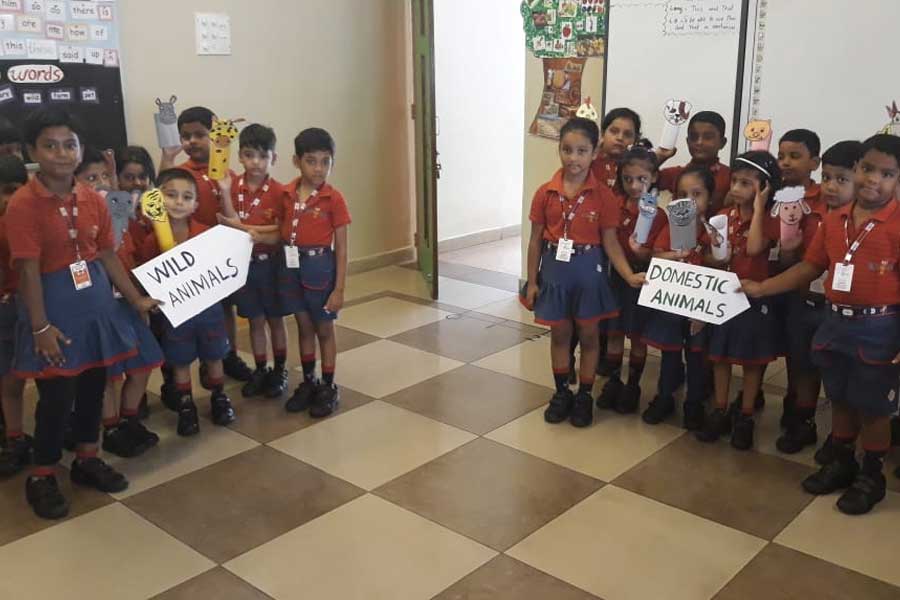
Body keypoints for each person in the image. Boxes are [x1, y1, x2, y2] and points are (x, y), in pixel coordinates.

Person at [8, 107, 159, 519]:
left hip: (96, 310)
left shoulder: (92, 198)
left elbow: (107, 255)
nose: (62, 153)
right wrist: (40, 327)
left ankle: (87, 459)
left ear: (80, 148)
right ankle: (42, 475)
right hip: (54, 314)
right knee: (57, 398)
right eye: (50, 145)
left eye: (69, 144)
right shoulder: (23, 204)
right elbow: (27, 271)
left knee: (94, 388)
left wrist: (134, 300)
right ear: (32, 151)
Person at [742, 134, 900, 515]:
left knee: (873, 408)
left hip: (879, 330)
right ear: (856, 168)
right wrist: (762, 288)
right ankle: (841, 462)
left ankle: (871, 475)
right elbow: (810, 266)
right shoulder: (834, 220)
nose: (873, 180)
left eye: (887, 174)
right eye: (867, 169)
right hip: (835, 323)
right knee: (840, 397)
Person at [523, 117, 643, 428]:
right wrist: (532, 281)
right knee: (560, 335)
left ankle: (585, 395)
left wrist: (629, 275)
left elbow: (611, 243)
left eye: (581, 151)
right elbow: (535, 241)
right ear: (559, 150)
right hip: (554, 274)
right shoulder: (545, 193)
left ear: (594, 153)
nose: (573, 158)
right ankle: (562, 392)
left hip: (589, 274)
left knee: (590, 336)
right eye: (567, 150)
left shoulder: (604, 196)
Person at [245, 128, 350, 418]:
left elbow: (342, 248)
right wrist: (254, 234)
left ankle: (328, 386)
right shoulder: (287, 194)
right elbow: (280, 232)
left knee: (324, 329)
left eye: (326, 161)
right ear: (296, 161)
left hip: (320, 269)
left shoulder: (333, 198)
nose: (319, 168)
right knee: (303, 327)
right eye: (311, 161)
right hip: (290, 268)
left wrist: (339, 289)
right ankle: (309, 381)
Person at [775, 140, 862, 455]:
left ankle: (840, 437)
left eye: (842, 179)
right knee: (803, 365)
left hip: (840, 310)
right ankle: (804, 422)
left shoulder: (863, 222)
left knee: (839, 375)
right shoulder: (809, 209)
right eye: (826, 177)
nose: (831, 186)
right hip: (805, 300)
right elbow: (801, 261)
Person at [139, 168, 236, 436]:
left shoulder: (206, 234)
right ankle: (186, 405)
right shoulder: (151, 240)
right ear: (158, 199)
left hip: (208, 311)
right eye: (171, 195)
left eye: (186, 197)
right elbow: (148, 276)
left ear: (195, 204)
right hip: (175, 314)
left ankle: (219, 396)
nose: (179, 202)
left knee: (214, 356)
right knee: (180, 361)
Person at [695, 151, 782, 450]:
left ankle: (745, 415)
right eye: (734, 181)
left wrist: (758, 209)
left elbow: (756, 248)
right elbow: (706, 255)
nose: (735, 188)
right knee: (719, 356)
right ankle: (720, 409)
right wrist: (717, 258)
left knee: (751, 362)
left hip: (753, 301)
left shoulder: (769, 220)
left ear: (764, 188)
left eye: (746, 183)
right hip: (724, 297)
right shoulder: (723, 216)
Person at [160, 106, 252, 384]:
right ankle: (197, 363)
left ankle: (227, 355)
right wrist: (167, 158)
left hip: (222, 254)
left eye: (200, 134)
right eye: (186, 136)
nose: (192, 141)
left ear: (213, 135)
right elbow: (161, 194)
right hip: (191, 257)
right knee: (193, 312)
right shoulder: (179, 172)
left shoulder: (226, 173)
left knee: (225, 308)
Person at [216, 124, 289, 399]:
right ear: (240, 157)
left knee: (275, 320)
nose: (255, 162)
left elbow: (281, 229)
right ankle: (260, 369)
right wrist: (225, 193)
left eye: (262, 156)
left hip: (271, 264)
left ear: (273, 158)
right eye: (248, 155)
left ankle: (279, 369)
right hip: (244, 266)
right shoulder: (232, 185)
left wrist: (242, 227)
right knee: (255, 321)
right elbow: (228, 220)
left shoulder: (280, 192)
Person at [642, 165, 716, 429]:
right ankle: (664, 397)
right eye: (683, 195)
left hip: (700, 306)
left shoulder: (713, 230)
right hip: (672, 303)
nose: (689, 201)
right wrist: (675, 255)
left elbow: (721, 264)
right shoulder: (672, 227)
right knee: (670, 353)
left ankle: (694, 403)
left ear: (709, 198)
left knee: (696, 357)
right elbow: (656, 255)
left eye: (697, 194)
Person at [596, 142, 667, 415]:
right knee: (614, 333)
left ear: (653, 178)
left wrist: (642, 252)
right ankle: (613, 381)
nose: (634, 186)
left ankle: (633, 386)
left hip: (643, 279)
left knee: (638, 337)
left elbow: (659, 252)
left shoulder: (658, 215)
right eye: (628, 179)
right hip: (617, 277)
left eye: (641, 179)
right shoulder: (614, 206)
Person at [0, 156, 29, 476]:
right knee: (10, 380)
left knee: (52, 378)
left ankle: (62, 426)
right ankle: (15, 437)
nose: (7, 200)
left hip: (39, 311)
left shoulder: (30, 221)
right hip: (7, 313)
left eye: (13, 190)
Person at [657, 111, 732, 215]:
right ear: (687, 141)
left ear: (722, 142)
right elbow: (645, 178)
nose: (699, 142)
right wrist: (661, 156)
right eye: (694, 137)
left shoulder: (731, 177)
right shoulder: (676, 174)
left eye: (708, 137)